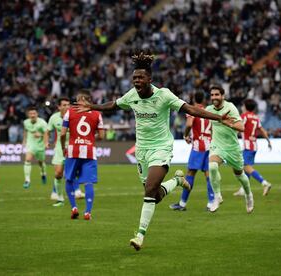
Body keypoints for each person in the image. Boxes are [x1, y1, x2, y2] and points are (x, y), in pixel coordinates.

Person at [77, 51, 233, 251]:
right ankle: (177, 181)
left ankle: (140, 235)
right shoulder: (132, 95)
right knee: (155, 195)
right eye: (134, 77)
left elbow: (191, 110)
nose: (136, 80)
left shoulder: (164, 95)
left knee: (150, 189)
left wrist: (218, 117)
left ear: (150, 79)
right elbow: (114, 105)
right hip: (142, 150)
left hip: (161, 148)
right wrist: (92, 107)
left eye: (141, 77)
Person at [205, 85, 254, 214]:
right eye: (212, 95)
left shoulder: (230, 108)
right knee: (212, 167)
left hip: (232, 148)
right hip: (217, 146)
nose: (214, 97)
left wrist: (228, 123)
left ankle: (248, 195)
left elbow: (242, 127)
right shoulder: (209, 109)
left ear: (222, 96)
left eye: (217, 95)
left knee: (240, 175)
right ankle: (217, 196)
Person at [61, 91, 105, 220]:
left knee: (69, 179)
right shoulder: (97, 114)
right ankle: (87, 212)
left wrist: (63, 147)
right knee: (88, 182)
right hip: (89, 151)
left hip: (72, 150)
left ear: (81, 99)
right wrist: (90, 138)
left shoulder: (70, 112)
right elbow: (102, 136)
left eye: (77, 99)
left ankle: (74, 208)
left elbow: (63, 134)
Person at [169, 91, 215, 211]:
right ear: (204, 100)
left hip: (198, 146)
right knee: (208, 175)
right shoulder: (208, 111)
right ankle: (211, 203)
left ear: (194, 99)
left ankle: (182, 204)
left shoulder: (193, 110)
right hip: (209, 145)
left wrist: (185, 135)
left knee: (190, 173)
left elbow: (189, 124)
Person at [233, 99, 272, 197]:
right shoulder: (256, 117)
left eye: (243, 105)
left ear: (245, 106)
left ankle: (264, 183)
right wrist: (268, 141)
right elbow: (262, 130)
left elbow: (239, 127)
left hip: (247, 146)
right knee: (247, 168)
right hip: (254, 145)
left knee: (245, 167)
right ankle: (243, 189)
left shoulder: (244, 116)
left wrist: (232, 137)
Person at [47, 97, 71, 206]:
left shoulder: (74, 116)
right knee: (58, 173)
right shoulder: (54, 118)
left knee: (75, 173)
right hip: (59, 148)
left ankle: (77, 192)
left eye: (68, 105)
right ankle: (60, 198)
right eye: (64, 105)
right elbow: (47, 131)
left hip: (73, 147)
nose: (67, 107)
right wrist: (46, 142)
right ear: (59, 107)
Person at [22, 106, 48, 189]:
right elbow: (25, 130)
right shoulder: (26, 122)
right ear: (28, 115)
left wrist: (40, 135)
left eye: (34, 113)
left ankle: (43, 173)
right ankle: (27, 180)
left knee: (40, 162)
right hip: (30, 144)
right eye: (30, 113)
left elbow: (47, 133)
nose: (32, 115)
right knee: (28, 159)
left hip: (40, 145)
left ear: (37, 114)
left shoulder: (42, 123)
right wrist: (24, 140)